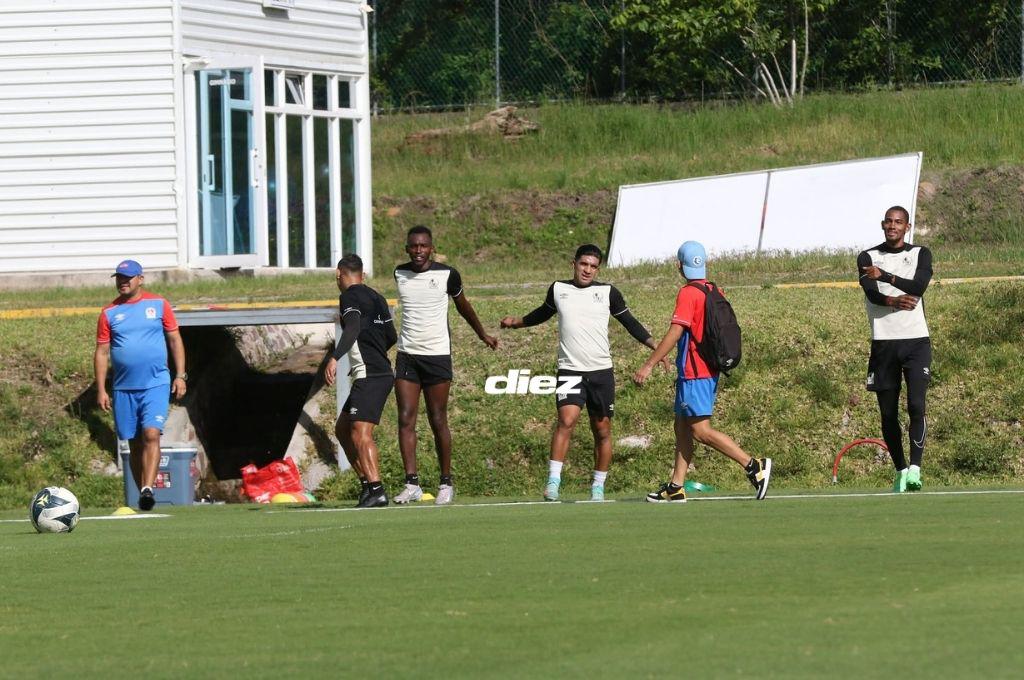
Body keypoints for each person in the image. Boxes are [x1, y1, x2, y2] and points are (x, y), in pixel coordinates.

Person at [500, 244, 663, 502]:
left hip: (601, 372)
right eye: (583, 264)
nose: (587, 270)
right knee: (566, 421)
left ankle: (598, 486)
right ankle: (553, 482)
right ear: (573, 263)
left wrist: (655, 346)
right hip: (570, 371)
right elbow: (542, 314)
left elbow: (629, 322)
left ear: (598, 269)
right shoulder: (558, 289)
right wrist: (517, 322)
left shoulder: (608, 292)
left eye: (593, 266)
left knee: (602, 430)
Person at [633, 241, 772, 503]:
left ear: (679, 266)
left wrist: (649, 364)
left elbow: (676, 332)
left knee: (700, 430)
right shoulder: (712, 289)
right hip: (704, 369)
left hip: (695, 372)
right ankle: (676, 486)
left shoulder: (688, 293)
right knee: (682, 426)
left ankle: (753, 465)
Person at [392, 225, 499, 505]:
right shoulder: (399, 274)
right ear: (407, 248)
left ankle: (445, 482)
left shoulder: (447, 274)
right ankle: (411, 483)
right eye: (413, 246)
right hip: (407, 356)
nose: (418, 251)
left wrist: (482, 334)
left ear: (431, 247)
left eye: (423, 246)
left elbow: (463, 306)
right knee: (405, 418)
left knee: (437, 418)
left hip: (437, 356)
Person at [94, 259, 187, 511]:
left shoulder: (158, 304)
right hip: (124, 388)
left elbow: (175, 339)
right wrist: (102, 389)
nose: (123, 282)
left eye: (128, 277)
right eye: (119, 278)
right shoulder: (109, 312)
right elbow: (102, 352)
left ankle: (147, 487)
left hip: (156, 383)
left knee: (151, 433)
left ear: (140, 279)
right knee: (133, 443)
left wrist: (180, 375)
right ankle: (144, 494)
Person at [857, 206, 933, 493]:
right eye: (888, 221)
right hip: (883, 344)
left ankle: (915, 469)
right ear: (882, 225)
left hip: (916, 341)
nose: (893, 226)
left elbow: (919, 286)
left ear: (907, 226)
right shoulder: (867, 257)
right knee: (887, 413)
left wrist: (886, 276)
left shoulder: (920, 254)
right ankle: (900, 470)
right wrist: (894, 301)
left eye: (898, 222)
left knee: (916, 404)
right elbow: (871, 293)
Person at [324, 254, 398, 508]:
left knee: (360, 433)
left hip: (371, 374)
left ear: (339, 274)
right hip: (379, 371)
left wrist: (335, 358)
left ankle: (377, 490)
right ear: (363, 274)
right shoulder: (378, 297)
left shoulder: (349, 297)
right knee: (343, 429)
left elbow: (353, 327)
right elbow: (391, 336)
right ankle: (368, 486)